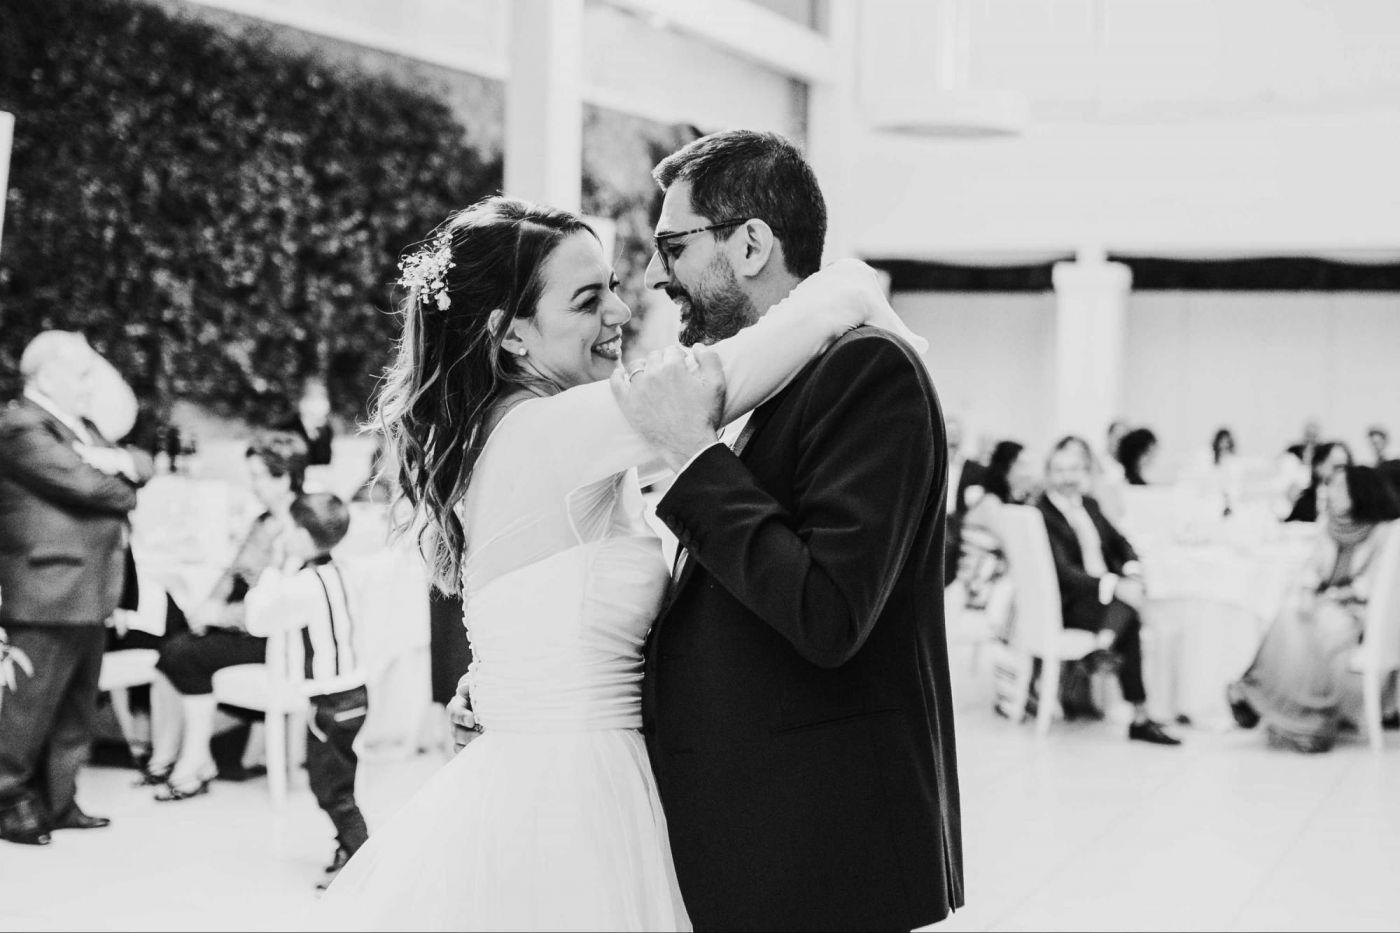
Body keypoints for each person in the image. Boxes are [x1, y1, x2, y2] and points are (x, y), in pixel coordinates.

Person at [313, 189, 928, 931]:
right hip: (571, 798)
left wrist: (507, 691)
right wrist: (848, 289)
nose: (621, 311)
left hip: (573, 771)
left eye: (611, 286)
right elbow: (715, 379)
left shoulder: (537, 432)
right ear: (511, 336)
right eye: (587, 300)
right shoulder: (546, 431)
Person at [0, 332, 155, 846]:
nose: (90, 384)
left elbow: (141, 464)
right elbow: (94, 487)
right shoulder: (20, 425)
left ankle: (58, 801)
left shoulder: (79, 426)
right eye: (81, 373)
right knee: (25, 709)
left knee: (74, 707)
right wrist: (118, 473)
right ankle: (8, 799)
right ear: (47, 374)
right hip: (46, 589)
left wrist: (119, 467)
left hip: (87, 590)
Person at [144, 431, 309, 799]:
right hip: (246, 624)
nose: (254, 485)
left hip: (277, 638)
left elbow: (281, 601)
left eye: (260, 476)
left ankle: (196, 760)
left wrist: (220, 616)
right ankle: (171, 757)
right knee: (173, 643)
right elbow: (232, 572)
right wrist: (207, 606)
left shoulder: (298, 527)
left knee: (183, 654)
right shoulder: (263, 521)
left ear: (285, 477)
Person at [1228, 465, 1400, 752]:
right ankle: (1291, 715)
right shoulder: (1329, 527)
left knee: (1305, 631)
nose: (1331, 493)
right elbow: (1312, 567)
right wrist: (1308, 591)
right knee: (1289, 616)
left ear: (1360, 492)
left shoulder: (1384, 532)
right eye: (1331, 486)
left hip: (1356, 613)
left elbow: (1375, 584)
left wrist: (1336, 596)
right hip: (1325, 604)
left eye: (1340, 487)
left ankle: (1271, 700)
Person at [245, 492, 368, 885]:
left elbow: (257, 620)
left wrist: (272, 568)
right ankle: (347, 847)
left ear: (300, 537)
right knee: (338, 779)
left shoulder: (301, 586)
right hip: (355, 692)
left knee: (331, 788)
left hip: (330, 699)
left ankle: (362, 862)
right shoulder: (340, 571)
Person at [1037, 436, 1181, 745]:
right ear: (1048, 473)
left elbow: (1120, 541)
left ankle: (1103, 647)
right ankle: (1139, 716)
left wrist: (1131, 569)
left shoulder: (1088, 505)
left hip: (1102, 596)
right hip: (1070, 600)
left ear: (1085, 472)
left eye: (1074, 469)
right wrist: (1115, 585)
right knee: (1130, 609)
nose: (1067, 477)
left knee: (1129, 603)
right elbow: (1064, 573)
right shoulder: (1042, 514)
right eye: (1059, 470)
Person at [956, 440, 1035, 615]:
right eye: (1022, 465)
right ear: (1005, 467)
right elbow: (1015, 552)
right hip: (974, 595)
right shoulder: (991, 505)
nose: (1028, 473)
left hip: (984, 591)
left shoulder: (1002, 505)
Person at [944, 414, 986, 583]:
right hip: (938, 518)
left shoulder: (975, 469)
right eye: (949, 433)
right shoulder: (933, 465)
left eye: (956, 434)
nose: (952, 438)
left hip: (960, 519)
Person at [1286, 441, 1352, 523]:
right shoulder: (1305, 501)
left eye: (1345, 467)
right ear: (1318, 465)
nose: (1342, 473)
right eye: (1337, 467)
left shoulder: (1354, 501)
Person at [280, 377, 334, 466]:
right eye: (312, 398)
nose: (318, 403)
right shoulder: (286, 429)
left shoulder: (327, 430)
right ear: (300, 401)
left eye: (322, 397)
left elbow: (324, 462)